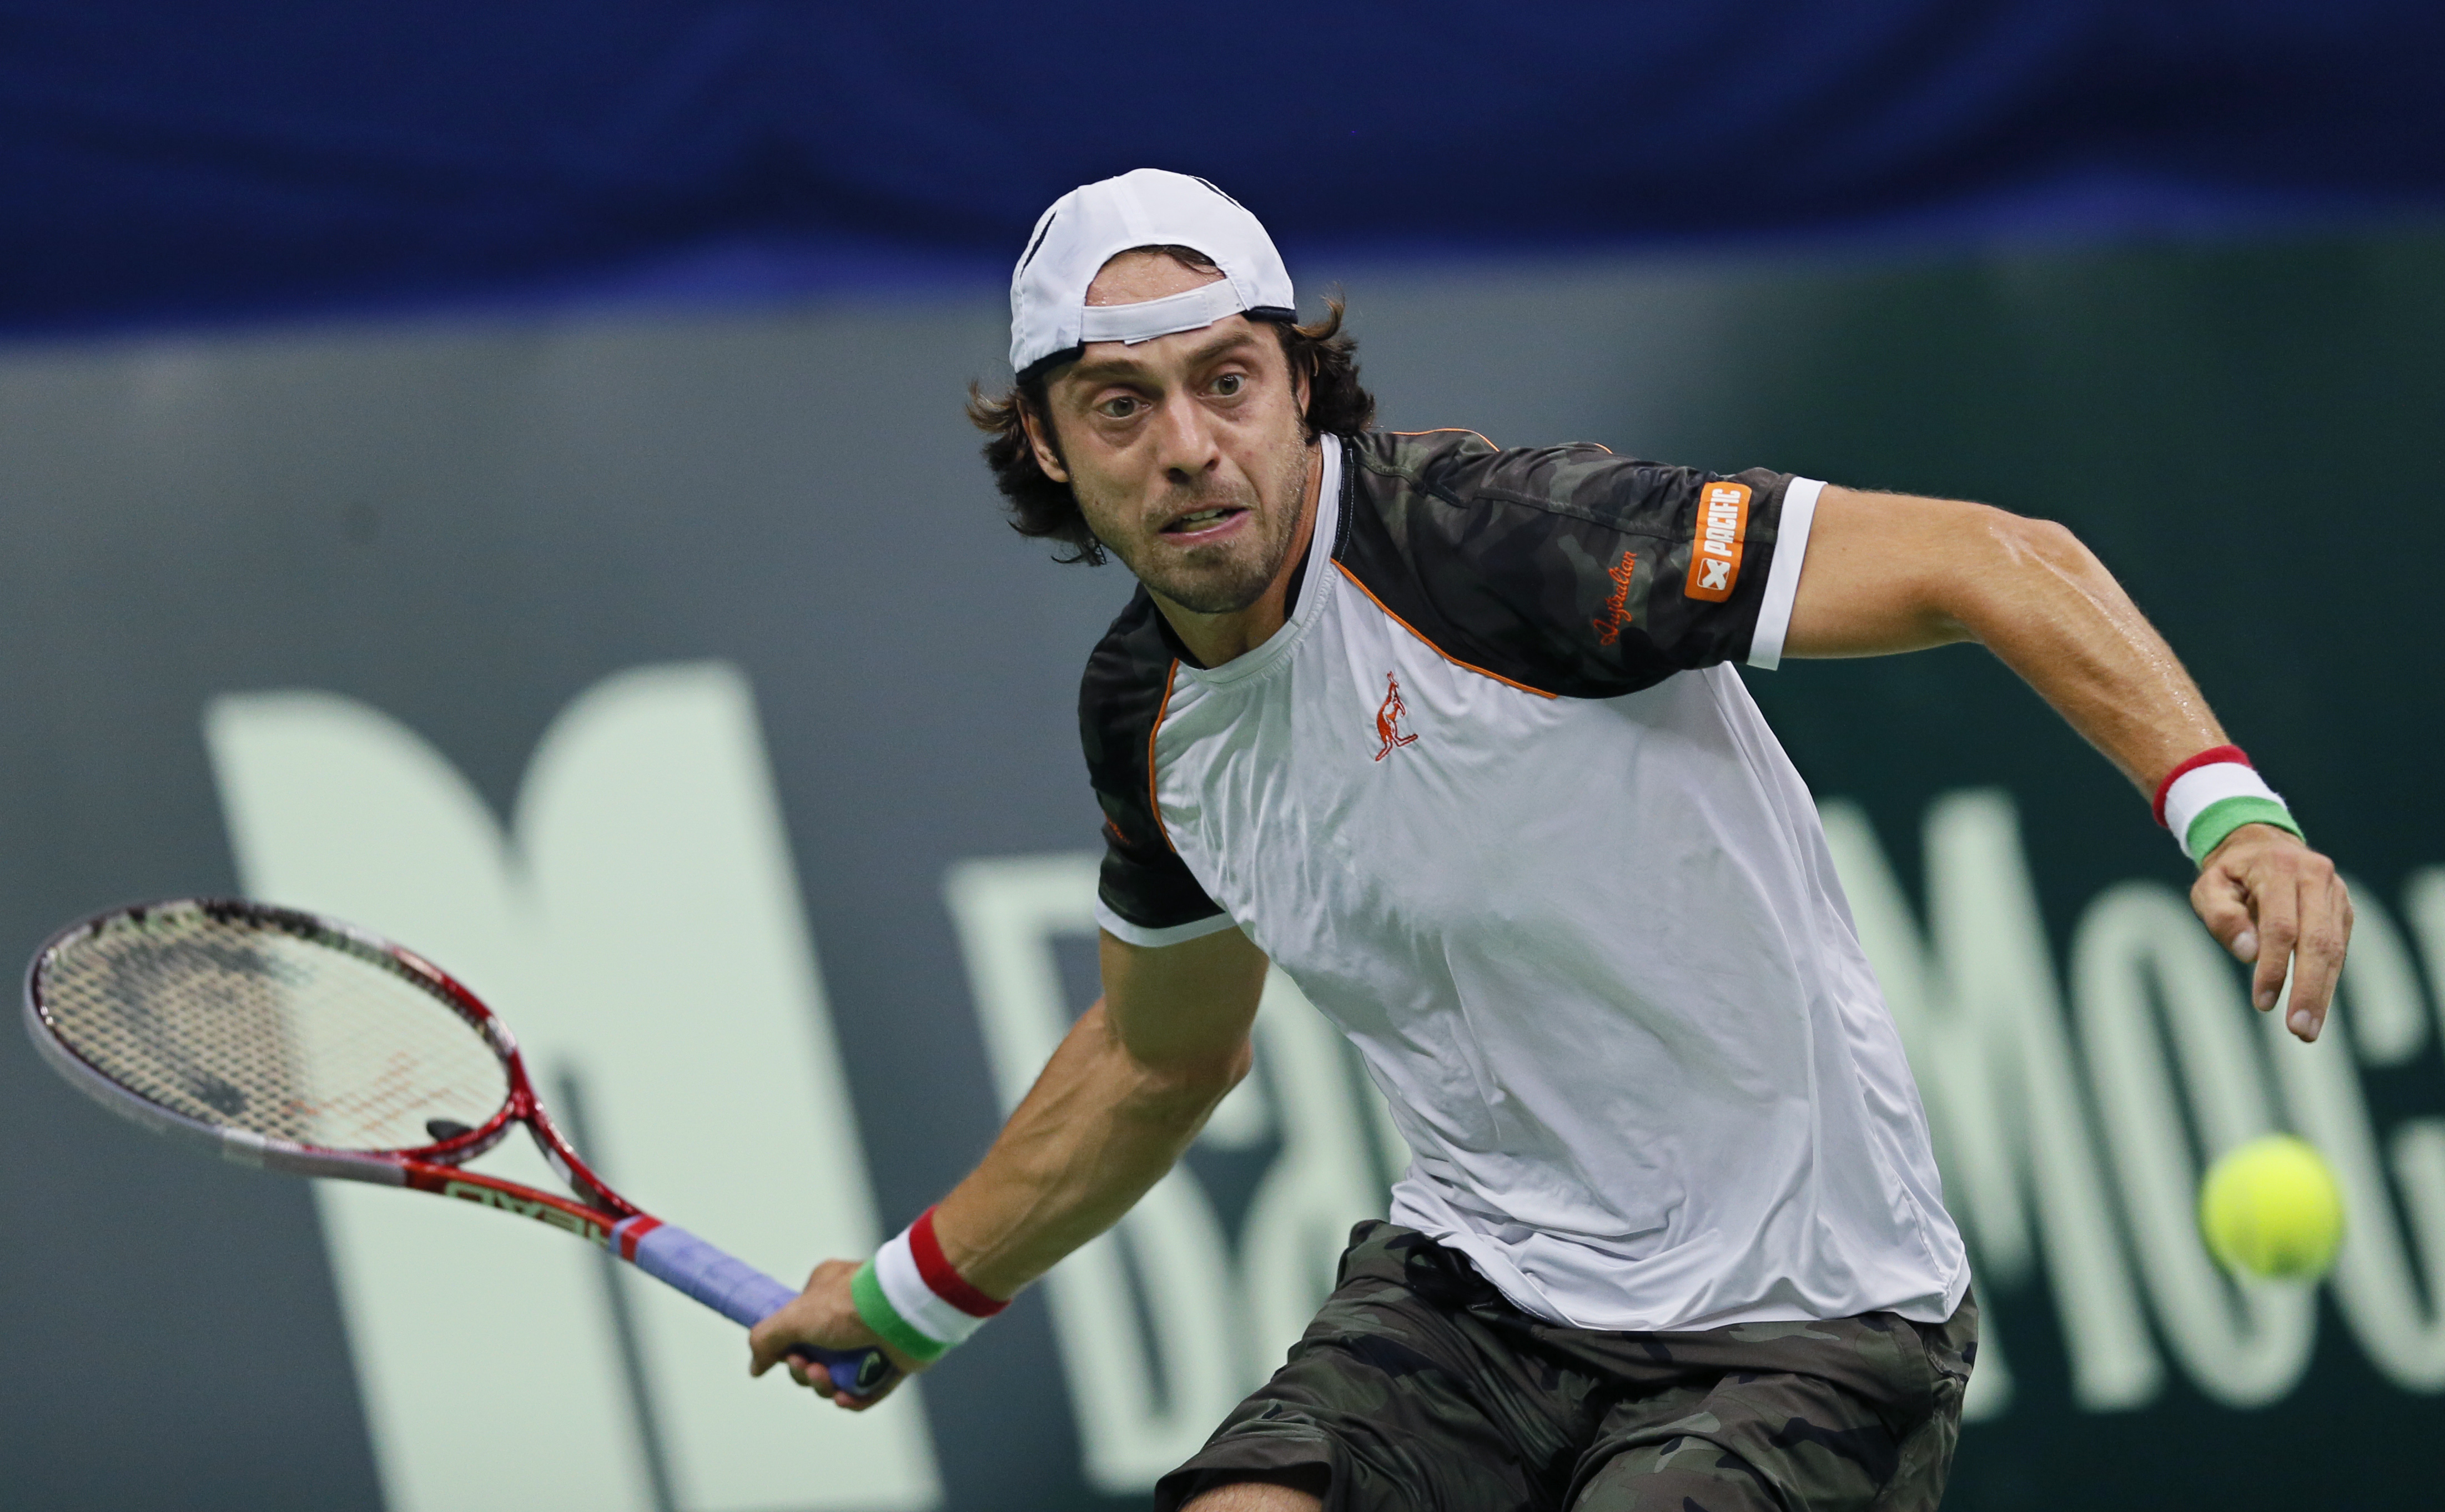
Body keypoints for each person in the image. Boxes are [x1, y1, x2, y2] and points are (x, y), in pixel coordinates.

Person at [749, 169, 2352, 1511]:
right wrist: (906, 1296)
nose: (1184, 446)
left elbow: (1992, 561)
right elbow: (1159, 1060)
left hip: (1804, 1318)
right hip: (1478, 1292)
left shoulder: (1504, 545)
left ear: (1297, 382)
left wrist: (2224, 806)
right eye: (1120, 404)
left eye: (1224, 380)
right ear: (1047, 446)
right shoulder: (1147, 719)